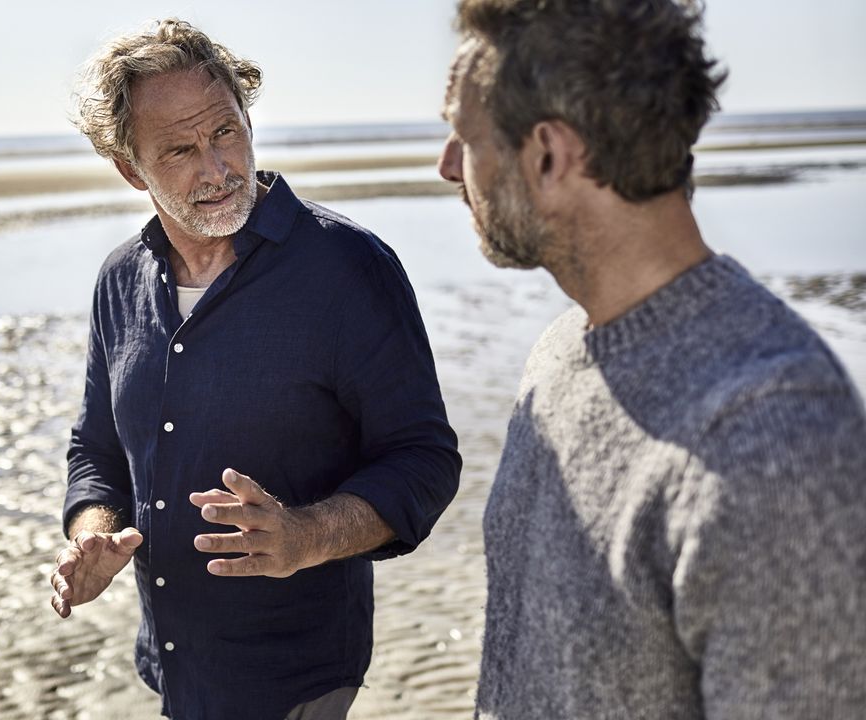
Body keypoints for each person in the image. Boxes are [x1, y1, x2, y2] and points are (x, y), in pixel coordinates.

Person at [437, 1, 866, 717]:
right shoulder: (557, 354)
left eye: (463, 135)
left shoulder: (773, 441)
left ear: (549, 154)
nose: (448, 166)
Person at [47, 18, 462, 720]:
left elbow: (423, 460)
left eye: (226, 132)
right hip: (174, 668)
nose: (216, 169)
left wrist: (307, 535)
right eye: (179, 149)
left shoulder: (348, 268)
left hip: (299, 676)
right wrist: (92, 533)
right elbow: (97, 452)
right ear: (129, 168)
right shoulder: (118, 281)